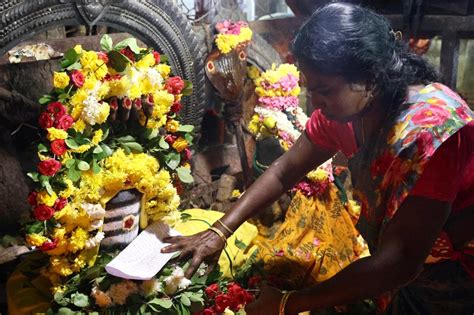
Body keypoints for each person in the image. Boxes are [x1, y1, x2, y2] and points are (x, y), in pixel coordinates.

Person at [162, 3, 474, 314]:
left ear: (370, 75)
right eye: (311, 89)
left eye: (325, 90)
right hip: (400, 268)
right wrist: (220, 230)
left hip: (453, 276)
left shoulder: (433, 131)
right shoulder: (345, 114)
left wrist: (287, 303)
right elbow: (285, 171)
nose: (315, 102)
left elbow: (400, 261)